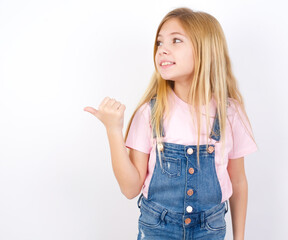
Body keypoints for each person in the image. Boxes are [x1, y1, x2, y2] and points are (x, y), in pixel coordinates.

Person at [84, 7, 258, 240]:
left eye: (176, 40)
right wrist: (113, 129)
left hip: (211, 230)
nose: (162, 50)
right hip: (157, 230)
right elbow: (130, 189)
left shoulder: (230, 113)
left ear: (205, 50)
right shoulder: (150, 113)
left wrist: (240, 238)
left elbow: (238, 180)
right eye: (159, 43)